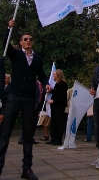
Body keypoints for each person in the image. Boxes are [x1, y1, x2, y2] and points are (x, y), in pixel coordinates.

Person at [0, 19, 49, 180]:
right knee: (5, 132)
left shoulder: (37, 58)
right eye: (25, 39)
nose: (28, 41)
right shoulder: (16, 55)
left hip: (29, 99)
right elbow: (5, 45)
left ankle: (26, 169)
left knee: (28, 135)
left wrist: (46, 83)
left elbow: (41, 74)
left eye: (30, 39)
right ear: (21, 43)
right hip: (14, 97)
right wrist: (9, 28)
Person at [46, 69, 68, 146]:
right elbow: (56, 93)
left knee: (59, 123)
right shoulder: (57, 84)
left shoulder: (62, 84)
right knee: (54, 123)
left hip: (59, 106)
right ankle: (53, 138)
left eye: (54, 74)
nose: (53, 76)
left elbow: (61, 96)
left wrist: (54, 100)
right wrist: (51, 91)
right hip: (55, 106)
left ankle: (58, 139)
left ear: (58, 75)